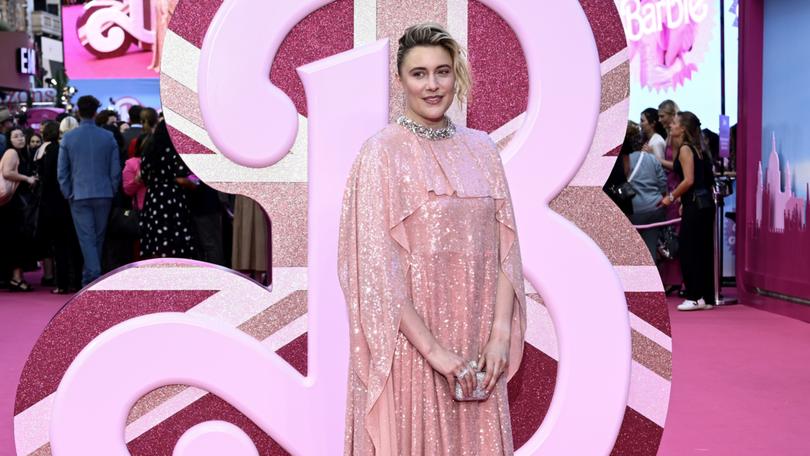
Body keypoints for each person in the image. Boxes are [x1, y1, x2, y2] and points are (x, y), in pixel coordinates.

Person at [338, 23, 526, 455]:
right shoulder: (381, 153)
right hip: (411, 348)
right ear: (400, 79)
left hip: (479, 347)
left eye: (442, 71)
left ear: (456, 74)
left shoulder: (483, 150)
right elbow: (374, 274)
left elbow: (507, 251)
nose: (432, 85)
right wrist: (436, 353)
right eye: (419, 73)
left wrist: (499, 335)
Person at [58, 95, 121, 286]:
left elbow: (62, 171)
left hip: (79, 194)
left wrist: (68, 192)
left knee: (86, 238)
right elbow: (115, 169)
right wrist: (111, 188)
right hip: (103, 194)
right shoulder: (108, 136)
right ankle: (92, 278)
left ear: (78, 112)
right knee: (98, 238)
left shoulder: (68, 137)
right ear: (95, 112)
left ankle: (92, 276)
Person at [659, 111, 716, 311]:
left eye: (674, 123)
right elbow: (702, 180)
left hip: (696, 205)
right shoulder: (698, 148)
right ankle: (704, 297)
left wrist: (671, 197)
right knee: (702, 251)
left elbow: (689, 180)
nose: (670, 126)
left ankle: (693, 296)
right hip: (703, 204)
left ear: (682, 128)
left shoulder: (685, 148)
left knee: (689, 250)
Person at [139, 119, 198, 259]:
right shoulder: (178, 152)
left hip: (154, 198)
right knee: (176, 240)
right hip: (175, 198)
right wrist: (185, 181)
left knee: (156, 239)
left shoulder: (149, 149)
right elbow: (190, 178)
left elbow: (144, 175)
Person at [35, 121, 82, 293]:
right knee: (75, 244)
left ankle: (62, 284)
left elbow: (47, 180)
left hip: (54, 204)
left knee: (60, 245)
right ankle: (77, 282)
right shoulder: (69, 150)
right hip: (73, 201)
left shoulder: (49, 151)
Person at [622, 122, 668, 262]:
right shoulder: (651, 159)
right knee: (650, 248)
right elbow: (663, 184)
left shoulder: (621, 161)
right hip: (654, 209)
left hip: (632, 211)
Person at [0, 127, 39, 291]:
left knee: (15, 241)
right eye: (15, 136)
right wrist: (27, 178)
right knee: (16, 240)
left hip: (15, 202)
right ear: (10, 140)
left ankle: (15, 277)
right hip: (11, 203)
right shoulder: (11, 152)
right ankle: (15, 278)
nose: (20, 139)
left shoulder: (22, 153)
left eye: (22, 135)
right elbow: (7, 173)